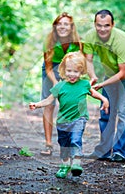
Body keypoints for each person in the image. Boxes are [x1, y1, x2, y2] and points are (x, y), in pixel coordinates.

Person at [29, 51, 109, 178]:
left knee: (76, 140)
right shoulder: (60, 86)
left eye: (76, 72)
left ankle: (76, 163)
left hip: (79, 119)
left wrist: (104, 99)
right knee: (64, 145)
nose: (72, 74)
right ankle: (65, 165)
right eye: (69, 71)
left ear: (81, 71)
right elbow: (49, 100)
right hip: (62, 122)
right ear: (64, 70)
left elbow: (94, 93)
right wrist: (37, 104)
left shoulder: (84, 84)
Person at [83, 9, 125, 163]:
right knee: (106, 111)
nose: (102, 29)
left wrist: (101, 84)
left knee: (123, 112)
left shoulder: (121, 41)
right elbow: (88, 60)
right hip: (110, 74)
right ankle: (104, 151)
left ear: (113, 25)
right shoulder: (90, 37)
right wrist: (93, 77)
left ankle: (119, 152)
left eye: (106, 25)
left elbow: (123, 73)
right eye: (99, 25)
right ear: (95, 24)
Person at [40, 12, 82, 156]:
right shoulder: (49, 41)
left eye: (66, 24)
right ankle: (48, 144)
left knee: (70, 103)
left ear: (71, 27)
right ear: (55, 26)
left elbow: (79, 63)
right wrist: (56, 83)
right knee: (49, 104)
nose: (62, 27)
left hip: (70, 69)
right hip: (51, 71)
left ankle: (71, 143)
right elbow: (48, 67)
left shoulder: (77, 42)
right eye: (59, 24)